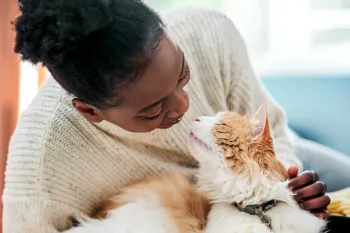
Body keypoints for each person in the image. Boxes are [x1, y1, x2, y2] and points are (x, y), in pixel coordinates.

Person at [3, 0, 337, 232]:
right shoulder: (41, 161)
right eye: (153, 110)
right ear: (90, 111)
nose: (183, 106)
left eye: (182, 73)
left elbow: (272, 131)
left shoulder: (210, 31)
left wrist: (288, 185)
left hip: (266, 170)